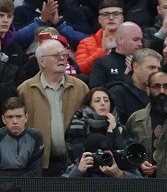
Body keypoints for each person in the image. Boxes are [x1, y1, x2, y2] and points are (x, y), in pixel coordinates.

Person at [18, 38, 89, 176]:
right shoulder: (25, 90)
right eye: (56, 55)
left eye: (65, 55)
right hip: (39, 163)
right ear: (42, 61)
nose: (62, 58)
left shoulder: (81, 87)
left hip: (74, 162)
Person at [64, 87, 131, 166]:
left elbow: (126, 157)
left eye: (106, 100)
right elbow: (76, 156)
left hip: (116, 173)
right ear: (89, 105)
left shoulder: (118, 126)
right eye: (97, 101)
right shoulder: (79, 123)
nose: (103, 103)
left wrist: (114, 130)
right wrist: (109, 135)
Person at [0, 97, 44, 177]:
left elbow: (35, 172)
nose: (15, 122)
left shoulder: (35, 136)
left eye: (19, 116)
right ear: (3, 119)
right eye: (9, 117)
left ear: (26, 118)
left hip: (27, 186)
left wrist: (14, 186)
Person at [63, 133, 140, 179]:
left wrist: (120, 175)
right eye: (98, 155)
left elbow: (145, 187)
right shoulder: (79, 166)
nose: (103, 158)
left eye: (106, 154)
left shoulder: (122, 166)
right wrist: (78, 172)